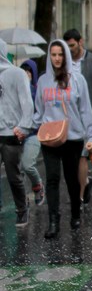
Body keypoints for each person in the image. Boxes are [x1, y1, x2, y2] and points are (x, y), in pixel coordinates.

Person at [34, 39, 92, 238]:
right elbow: (38, 110)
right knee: (52, 179)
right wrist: (34, 126)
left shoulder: (77, 80)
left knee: (71, 179)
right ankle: (53, 221)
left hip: (73, 137)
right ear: (49, 57)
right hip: (50, 138)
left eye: (60, 54)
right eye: (53, 55)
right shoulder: (43, 80)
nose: (57, 58)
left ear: (66, 56)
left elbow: (85, 109)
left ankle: (75, 215)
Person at [63, 28, 92, 206]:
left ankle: (80, 194)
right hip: (69, 114)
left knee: (83, 154)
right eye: (67, 46)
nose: (70, 49)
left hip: (91, 110)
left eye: (72, 45)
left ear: (80, 42)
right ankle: (85, 181)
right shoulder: (64, 64)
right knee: (75, 156)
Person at [0, 38, 34, 226]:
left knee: (13, 176)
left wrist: (23, 126)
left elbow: (27, 103)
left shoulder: (17, 74)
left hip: (11, 132)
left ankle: (22, 209)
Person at [19, 59, 45, 206]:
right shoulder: (16, 90)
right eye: (23, 71)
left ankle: (38, 186)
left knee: (27, 164)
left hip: (34, 133)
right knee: (17, 170)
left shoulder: (36, 91)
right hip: (16, 134)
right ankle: (22, 200)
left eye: (29, 71)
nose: (26, 74)